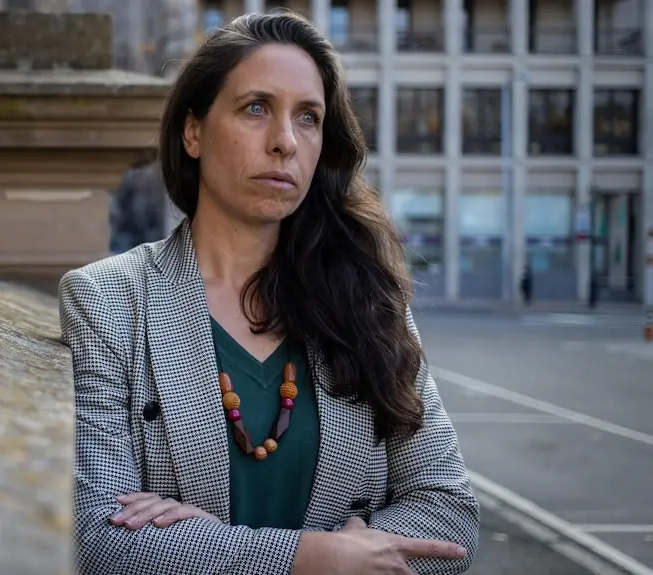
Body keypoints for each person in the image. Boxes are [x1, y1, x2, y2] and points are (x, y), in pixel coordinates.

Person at [59, 10, 480, 575]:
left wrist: (213, 547)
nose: (284, 142)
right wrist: (315, 557)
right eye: (256, 108)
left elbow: (449, 514)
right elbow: (101, 540)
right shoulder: (107, 300)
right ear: (193, 131)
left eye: (307, 118)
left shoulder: (367, 301)